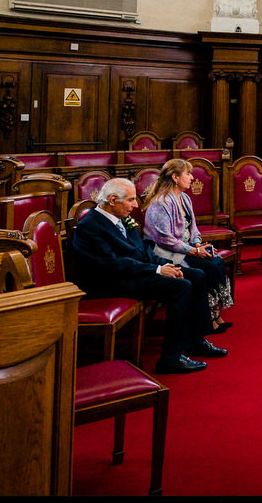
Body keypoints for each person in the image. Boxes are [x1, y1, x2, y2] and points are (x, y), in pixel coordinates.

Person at [70, 177, 226, 374]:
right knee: (182, 286)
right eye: (131, 200)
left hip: (135, 272)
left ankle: (196, 340)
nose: (136, 205)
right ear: (112, 200)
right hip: (112, 282)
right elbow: (111, 265)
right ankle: (170, 357)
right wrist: (158, 271)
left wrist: (165, 265)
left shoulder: (120, 218)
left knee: (197, 275)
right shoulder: (90, 226)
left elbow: (143, 250)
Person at [142, 159, 234, 334]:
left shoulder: (184, 198)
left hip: (187, 246)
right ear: (175, 177)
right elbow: (165, 239)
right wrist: (194, 251)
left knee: (216, 261)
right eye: (188, 174)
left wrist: (199, 244)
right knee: (207, 267)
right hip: (166, 252)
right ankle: (206, 318)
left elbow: (193, 228)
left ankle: (214, 314)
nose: (192, 178)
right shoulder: (161, 202)